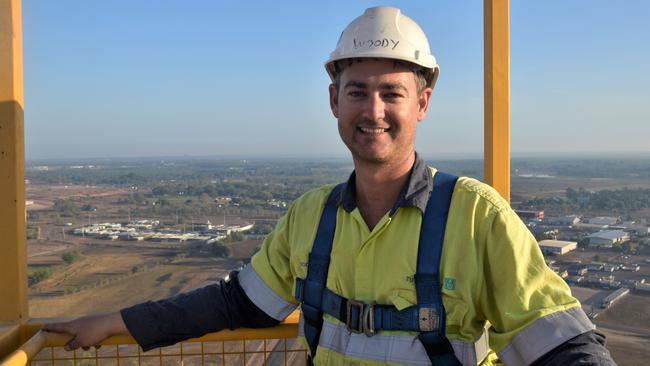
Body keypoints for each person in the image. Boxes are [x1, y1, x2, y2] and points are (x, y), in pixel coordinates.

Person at [45, 7, 616, 366]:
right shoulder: (310, 217)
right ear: (333, 100)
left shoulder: (476, 216)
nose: (374, 111)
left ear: (423, 102)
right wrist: (116, 322)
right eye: (357, 90)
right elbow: (240, 302)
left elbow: (562, 344)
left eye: (392, 93)